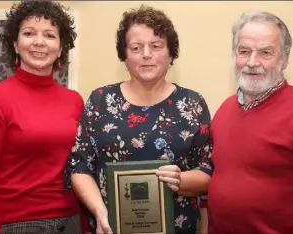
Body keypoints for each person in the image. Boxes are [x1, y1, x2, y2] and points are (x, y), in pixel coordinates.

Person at [64, 5, 213, 234]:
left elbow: (207, 172)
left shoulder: (192, 104)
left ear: (171, 53)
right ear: (124, 55)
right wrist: (100, 212)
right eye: (136, 47)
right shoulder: (100, 101)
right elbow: (80, 167)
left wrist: (178, 180)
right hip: (112, 228)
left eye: (156, 46)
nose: (146, 54)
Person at [0, 1, 89, 233]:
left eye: (49, 35)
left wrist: (85, 227)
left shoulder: (74, 100)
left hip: (71, 221)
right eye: (28, 33)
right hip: (17, 224)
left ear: (61, 47)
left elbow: (80, 167)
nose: (39, 42)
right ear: (15, 44)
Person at [207, 11, 293, 234]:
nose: (252, 62)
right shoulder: (224, 110)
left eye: (265, 53)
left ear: (284, 59)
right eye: (244, 51)